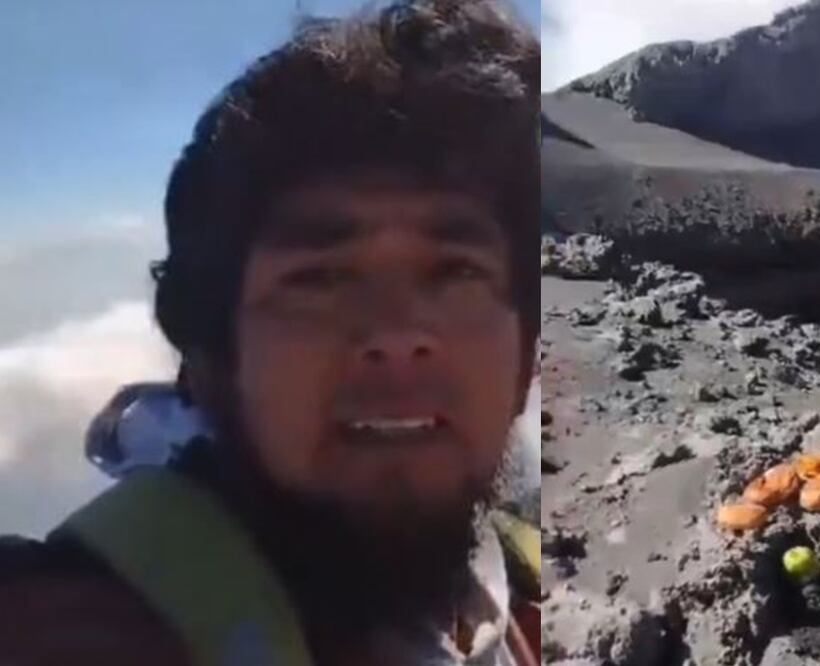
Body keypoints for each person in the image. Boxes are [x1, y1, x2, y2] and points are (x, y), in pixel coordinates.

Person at [0, 0, 540, 663]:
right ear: (208, 354)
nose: (398, 333)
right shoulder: (67, 626)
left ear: (526, 354)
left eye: (457, 272)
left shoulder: (511, 574)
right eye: (319, 279)